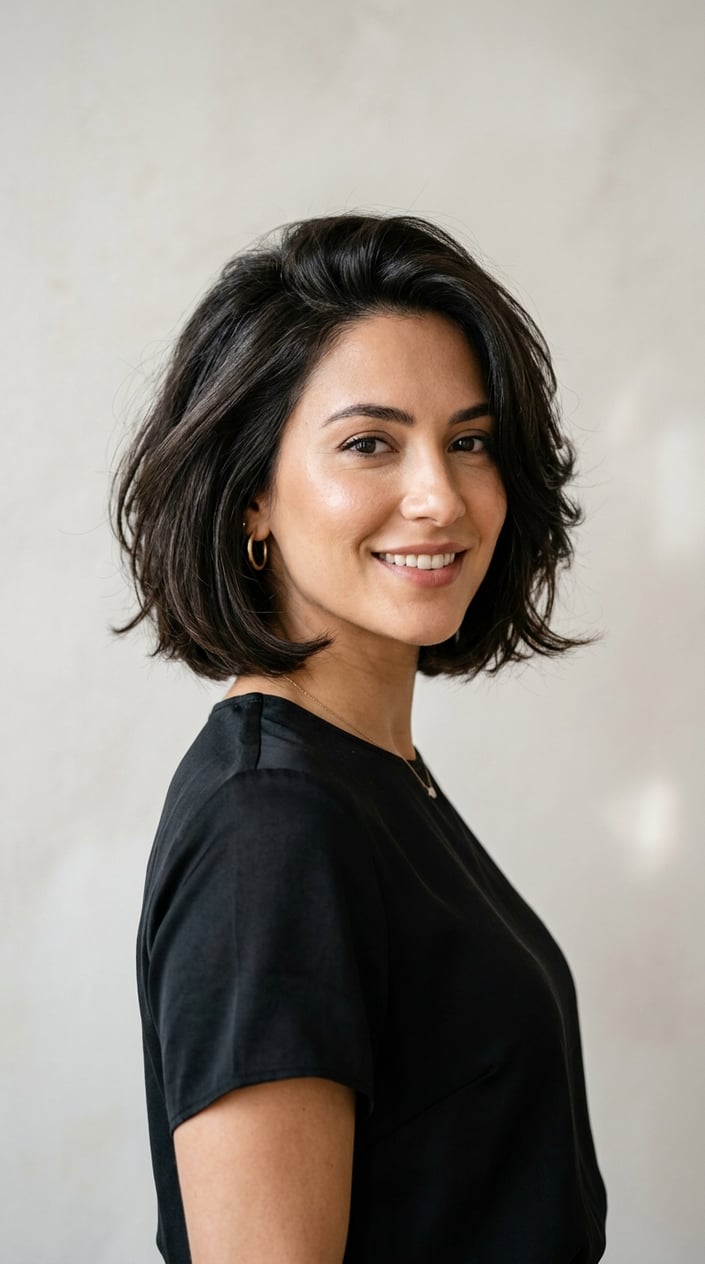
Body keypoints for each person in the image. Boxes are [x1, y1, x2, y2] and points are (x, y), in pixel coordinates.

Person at [111, 212, 607, 1264]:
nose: (439, 496)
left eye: (468, 441)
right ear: (252, 496)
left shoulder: (369, 775)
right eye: (369, 443)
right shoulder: (271, 827)